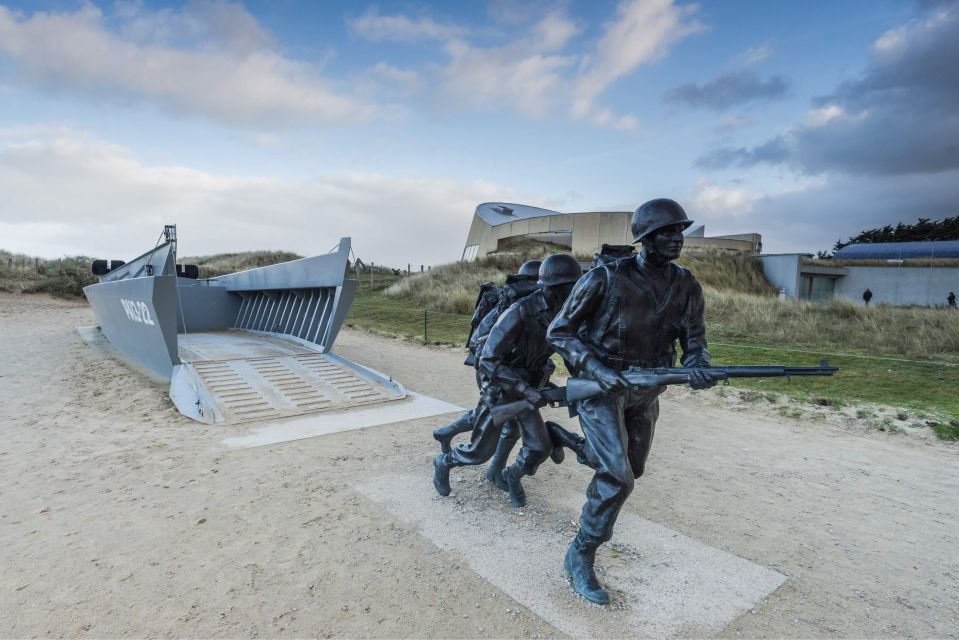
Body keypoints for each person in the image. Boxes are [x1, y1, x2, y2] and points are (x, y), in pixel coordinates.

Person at [547, 198, 717, 605]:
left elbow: (695, 341)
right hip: (601, 388)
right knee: (618, 477)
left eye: (680, 232)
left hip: (647, 389)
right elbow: (560, 331)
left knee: (632, 468)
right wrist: (596, 368)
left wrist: (698, 366)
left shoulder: (686, 284)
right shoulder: (605, 278)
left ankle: (574, 443)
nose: (677, 239)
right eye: (667, 233)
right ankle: (581, 552)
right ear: (645, 238)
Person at [433, 254, 583, 507]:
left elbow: (570, 351)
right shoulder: (520, 312)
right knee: (479, 452)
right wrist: (523, 387)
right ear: (552, 287)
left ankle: (510, 476)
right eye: (569, 288)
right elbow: (488, 360)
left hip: (528, 390)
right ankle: (444, 462)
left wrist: (581, 381)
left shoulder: (562, 314)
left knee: (538, 447)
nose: (575, 293)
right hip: (502, 388)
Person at [432, 261, 543, 486]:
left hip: (517, 376)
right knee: (490, 420)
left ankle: (495, 469)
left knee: (507, 423)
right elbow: (482, 347)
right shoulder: (512, 306)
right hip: (494, 374)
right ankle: (451, 457)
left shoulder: (541, 308)